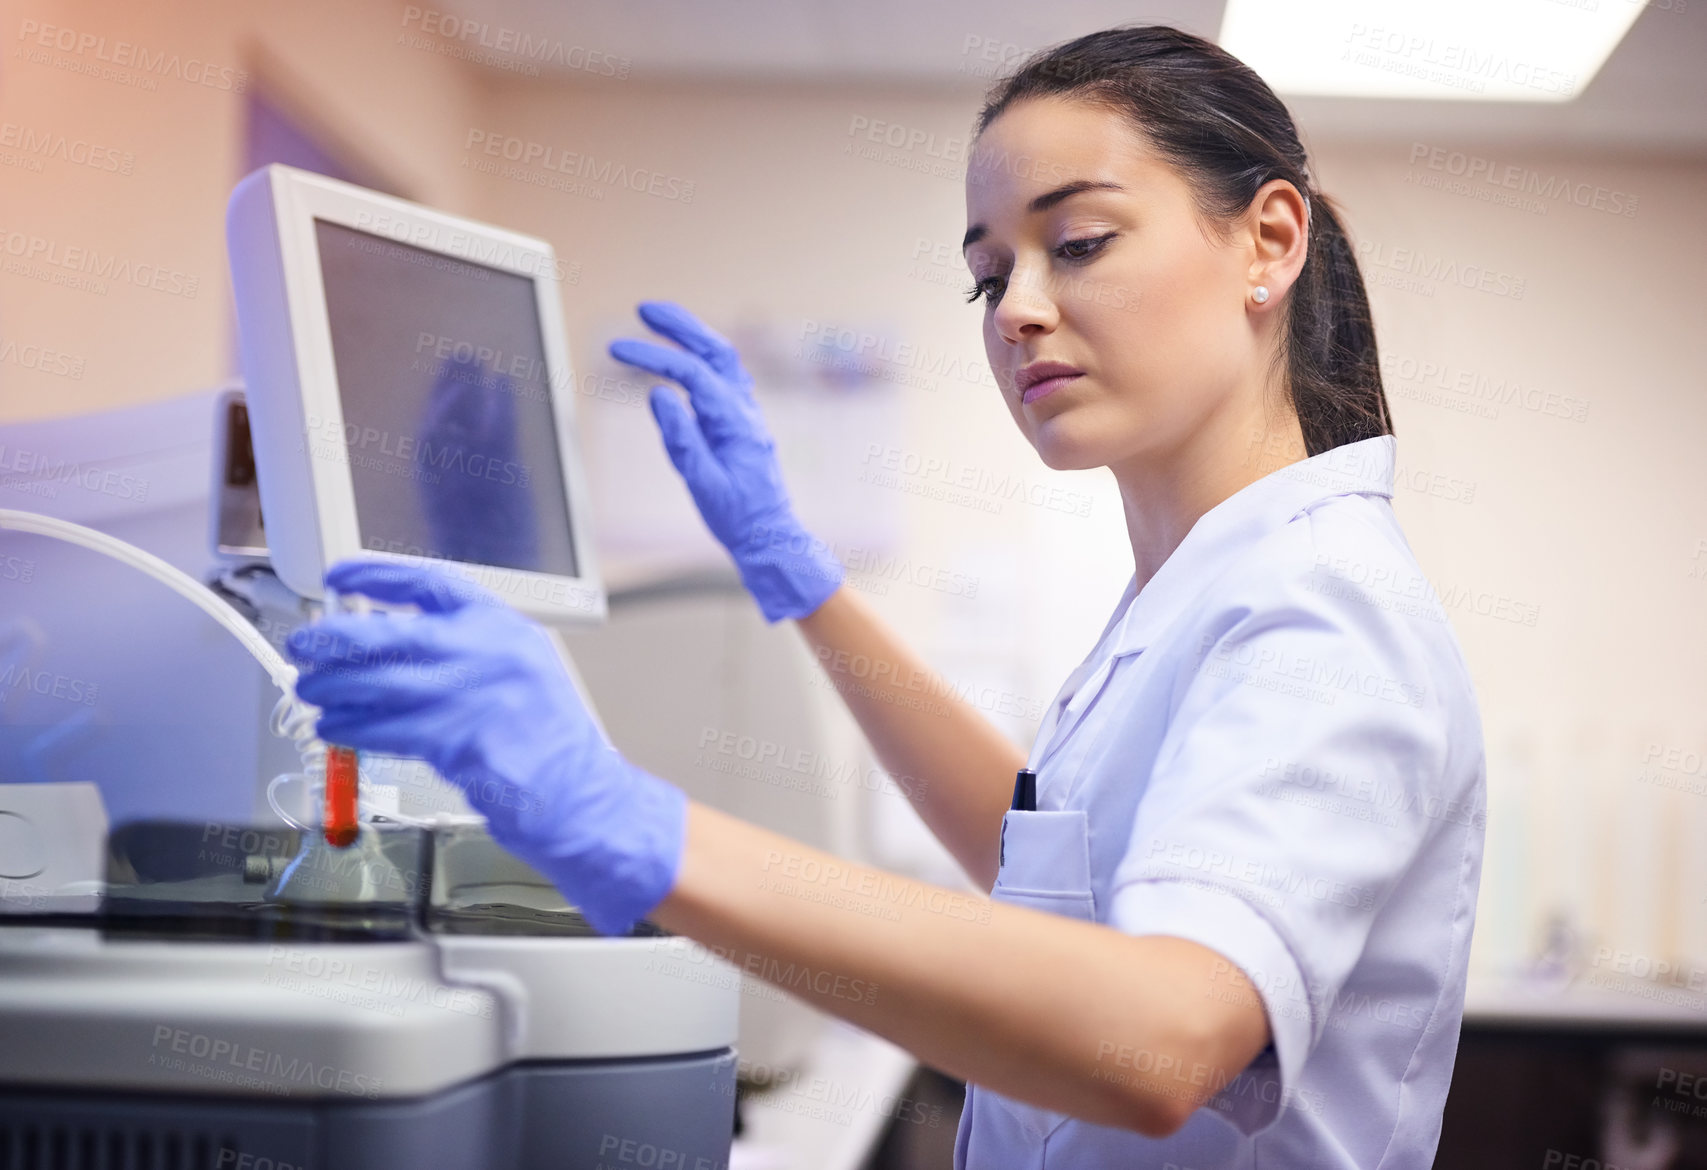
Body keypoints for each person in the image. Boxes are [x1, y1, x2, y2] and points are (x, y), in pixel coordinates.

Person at [286, 25, 1486, 1167]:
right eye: (988, 276)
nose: (1017, 306)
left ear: (1268, 243)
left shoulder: (1321, 610)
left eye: (1077, 244)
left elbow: (1164, 1039)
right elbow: (1032, 858)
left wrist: (629, 823)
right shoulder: (1198, 590)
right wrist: (800, 579)